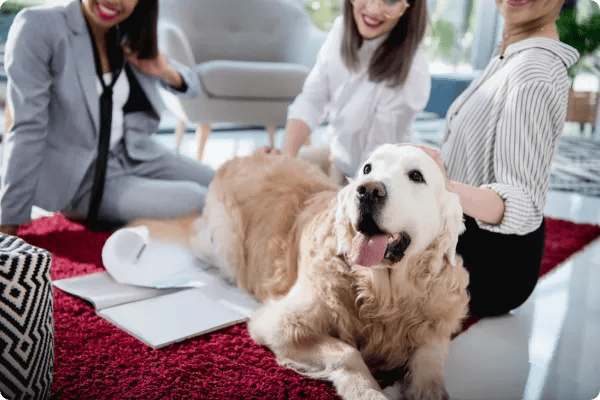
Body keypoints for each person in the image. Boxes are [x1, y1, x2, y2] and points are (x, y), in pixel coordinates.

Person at [415, 0, 579, 317]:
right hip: (464, 238)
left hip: (488, 266)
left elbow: (523, 205)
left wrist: (440, 184)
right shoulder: (508, 55)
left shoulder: (534, 73)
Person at [0, 0, 215, 235]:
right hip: (85, 179)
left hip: (135, 153)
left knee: (221, 182)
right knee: (200, 200)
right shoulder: (40, 26)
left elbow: (192, 86)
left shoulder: (126, 31)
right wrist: (9, 217)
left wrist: (165, 71)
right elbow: (26, 127)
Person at [265, 0, 430, 184]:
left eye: (390, 0)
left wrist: (339, 197)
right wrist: (285, 159)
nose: (374, 9)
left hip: (377, 180)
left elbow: (376, 160)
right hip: (337, 158)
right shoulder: (341, 30)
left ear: (409, 7)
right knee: (267, 176)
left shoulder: (413, 71)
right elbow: (312, 100)